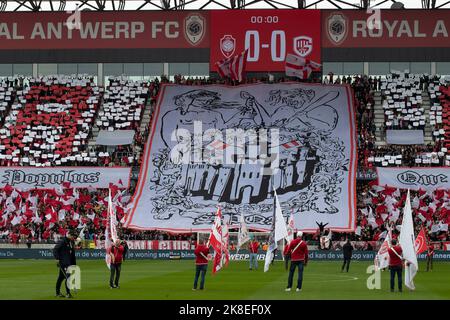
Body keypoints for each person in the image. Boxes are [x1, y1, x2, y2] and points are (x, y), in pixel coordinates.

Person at [53, 231, 77, 298]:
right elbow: (55, 249)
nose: (73, 237)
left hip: (69, 263)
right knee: (68, 277)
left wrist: (74, 264)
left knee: (61, 278)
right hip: (64, 263)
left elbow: (72, 254)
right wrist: (57, 259)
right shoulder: (62, 241)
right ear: (68, 235)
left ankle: (58, 293)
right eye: (72, 235)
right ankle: (68, 293)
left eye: (74, 236)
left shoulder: (71, 242)